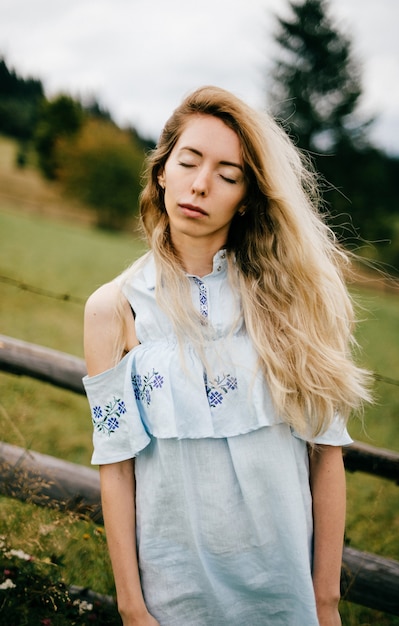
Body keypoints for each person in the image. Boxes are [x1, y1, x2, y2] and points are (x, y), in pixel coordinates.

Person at [83, 86, 371, 626]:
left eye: (228, 174)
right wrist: (131, 608)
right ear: (162, 170)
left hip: (283, 595)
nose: (200, 184)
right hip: (174, 598)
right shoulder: (114, 309)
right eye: (188, 161)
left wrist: (325, 602)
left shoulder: (292, 301)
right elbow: (115, 468)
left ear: (247, 197)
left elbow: (326, 456)